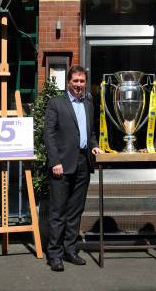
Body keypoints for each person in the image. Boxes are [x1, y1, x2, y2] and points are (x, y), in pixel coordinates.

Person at [43, 65, 102, 272]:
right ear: (69, 82)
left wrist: (94, 146)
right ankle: (55, 254)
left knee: (76, 211)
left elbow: (91, 131)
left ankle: (70, 250)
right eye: (75, 81)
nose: (79, 85)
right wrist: (54, 161)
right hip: (61, 163)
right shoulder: (56, 103)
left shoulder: (88, 102)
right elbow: (48, 134)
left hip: (83, 162)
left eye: (82, 81)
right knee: (58, 211)